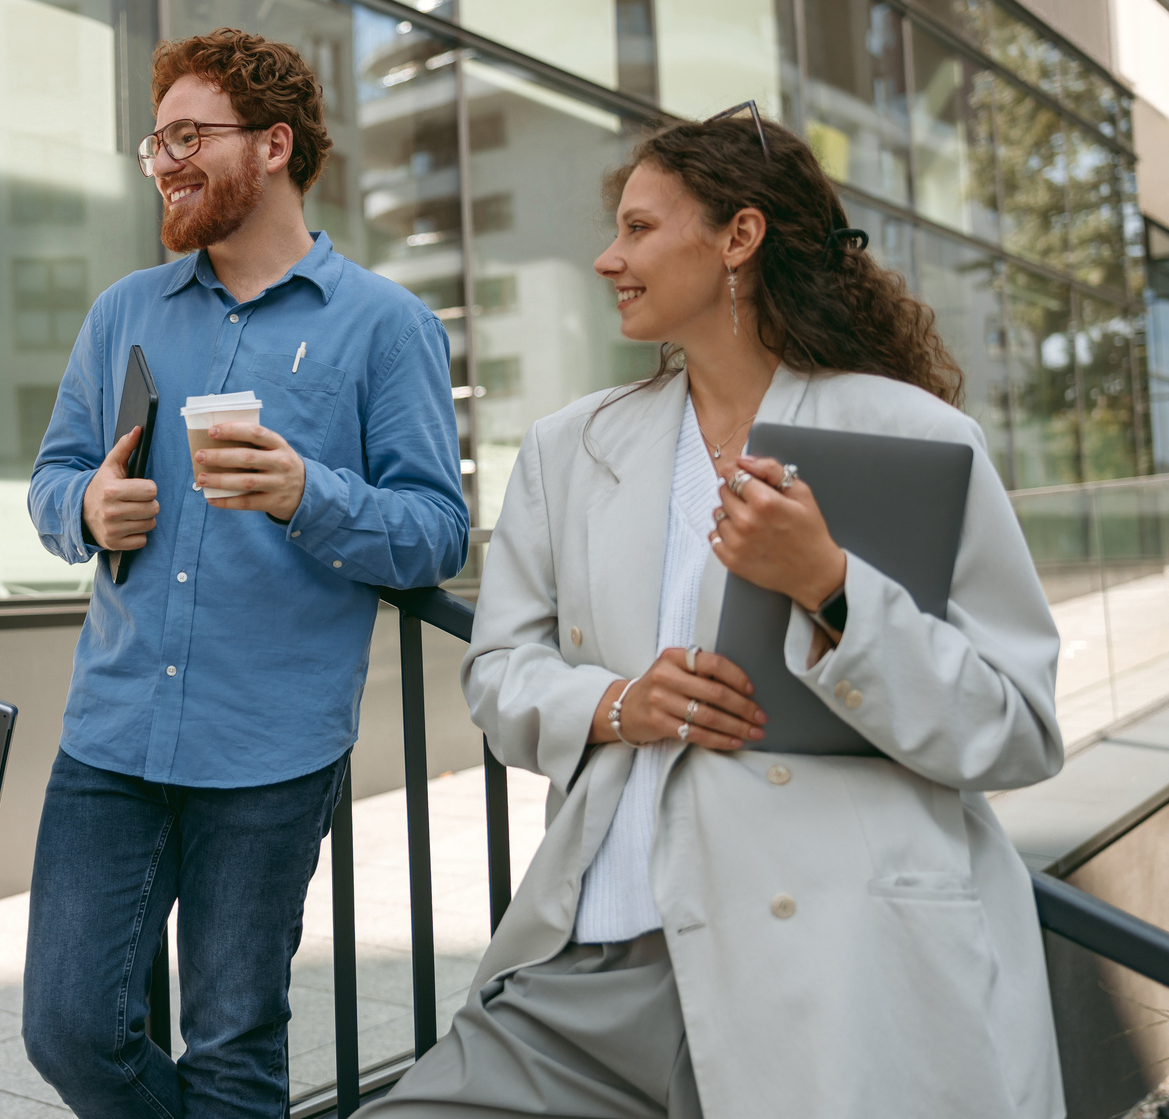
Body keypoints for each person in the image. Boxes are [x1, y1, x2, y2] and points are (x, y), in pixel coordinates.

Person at [364, 109, 1065, 1119]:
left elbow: (1019, 723)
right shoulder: (572, 449)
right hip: (591, 973)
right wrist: (618, 703)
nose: (609, 258)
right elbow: (500, 668)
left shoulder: (915, 435)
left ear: (739, 237)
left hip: (834, 977)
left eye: (640, 229)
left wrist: (829, 585)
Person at [20, 28, 469, 1117]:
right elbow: (53, 479)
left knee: (233, 1047)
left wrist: (303, 491)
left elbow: (438, 530)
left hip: (271, 747)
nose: (165, 158)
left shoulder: (385, 325)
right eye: (154, 141)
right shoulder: (124, 312)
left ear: (274, 145)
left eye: (189, 134)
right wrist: (85, 504)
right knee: (70, 1026)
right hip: (113, 732)